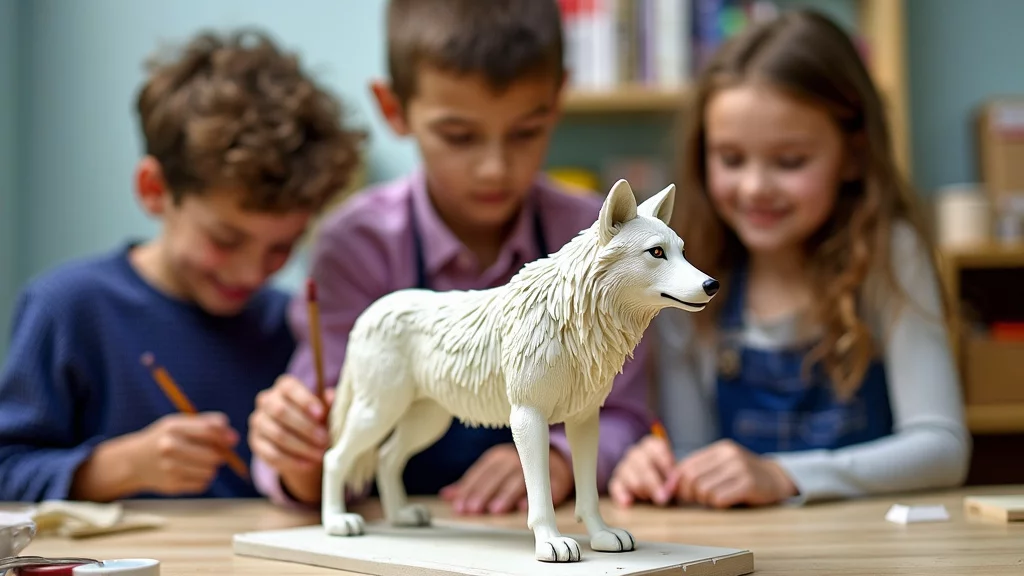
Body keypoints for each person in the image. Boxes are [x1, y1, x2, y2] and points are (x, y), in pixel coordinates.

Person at [248, 0, 653, 514]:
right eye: (459, 136)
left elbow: (622, 412)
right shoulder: (355, 244)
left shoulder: (602, 239)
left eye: (525, 132)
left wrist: (556, 456)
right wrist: (298, 451)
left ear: (557, 100)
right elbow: (329, 408)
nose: (494, 168)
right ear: (394, 109)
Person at [608, 9, 970, 509]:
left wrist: (781, 475)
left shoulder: (889, 253)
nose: (755, 187)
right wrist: (658, 466)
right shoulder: (679, 270)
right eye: (731, 159)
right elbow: (692, 449)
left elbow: (942, 449)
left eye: (790, 161)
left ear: (853, 154)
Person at [0, 30, 364, 502]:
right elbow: (7, 470)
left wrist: (310, 462)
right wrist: (121, 467)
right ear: (154, 189)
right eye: (225, 240)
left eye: (282, 247)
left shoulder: (291, 325)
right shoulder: (69, 307)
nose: (250, 273)